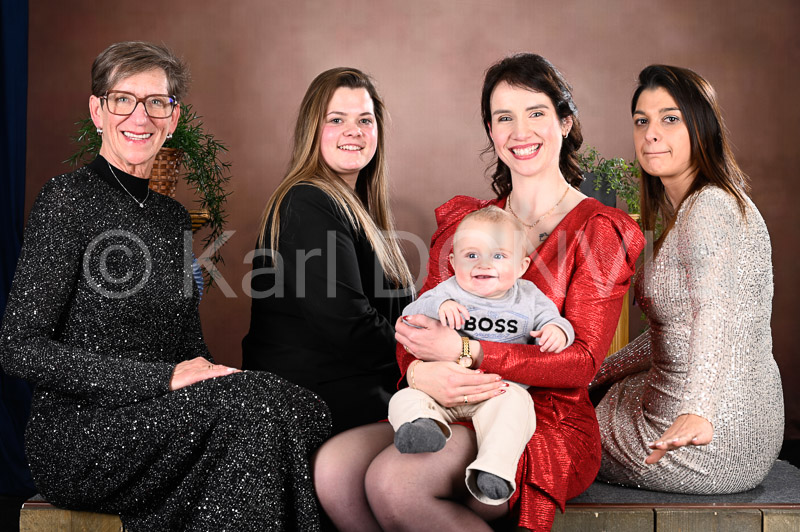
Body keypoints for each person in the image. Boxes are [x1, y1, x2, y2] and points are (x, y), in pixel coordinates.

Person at [0, 41, 330, 531]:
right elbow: (19, 349)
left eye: (156, 102)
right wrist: (162, 379)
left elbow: (187, 347)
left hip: (163, 418)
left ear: (173, 119)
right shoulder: (65, 201)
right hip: (82, 436)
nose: (141, 116)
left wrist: (218, 378)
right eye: (123, 99)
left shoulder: (171, 217)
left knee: (303, 409)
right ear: (98, 111)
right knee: (257, 411)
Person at [313, 53, 644, 531]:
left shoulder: (598, 229)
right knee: (334, 470)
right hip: (447, 401)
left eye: (536, 113)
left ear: (565, 122)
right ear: (491, 130)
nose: (519, 131)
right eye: (503, 117)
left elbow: (581, 363)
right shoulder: (467, 225)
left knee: (395, 483)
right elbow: (419, 326)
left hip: (538, 415)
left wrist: (468, 350)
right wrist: (420, 372)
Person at [590, 65, 783, 494]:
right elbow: (675, 328)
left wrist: (698, 410)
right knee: (595, 391)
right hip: (751, 429)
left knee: (559, 423)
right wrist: (596, 373)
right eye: (642, 121)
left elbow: (715, 312)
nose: (651, 134)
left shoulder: (709, 209)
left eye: (670, 119)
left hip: (704, 441)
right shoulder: (702, 206)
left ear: (703, 128)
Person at [241, 67, 414, 435]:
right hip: (311, 409)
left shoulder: (357, 209)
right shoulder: (307, 202)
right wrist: (423, 361)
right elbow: (350, 326)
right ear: (312, 130)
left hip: (357, 394)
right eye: (336, 119)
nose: (354, 131)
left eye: (365, 120)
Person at [388, 205, 575, 506]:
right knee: (404, 398)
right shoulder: (447, 292)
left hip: (497, 391)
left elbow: (556, 322)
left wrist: (557, 331)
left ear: (522, 266)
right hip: (443, 391)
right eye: (472, 255)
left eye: (499, 256)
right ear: (453, 262)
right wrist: (439, 307)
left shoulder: (529, 297)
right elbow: (410, 317)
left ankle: (493, 470)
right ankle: (423, 426)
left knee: (518, 406)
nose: (483, 264)